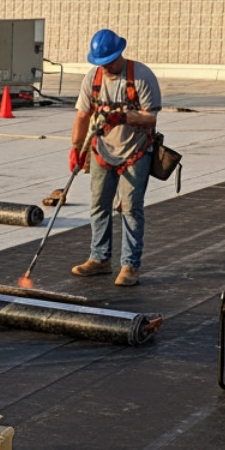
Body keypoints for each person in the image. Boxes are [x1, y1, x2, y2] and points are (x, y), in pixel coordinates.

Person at [68, 29, 161, 287]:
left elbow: (151, 118)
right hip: (102, 151)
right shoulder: (93, 79)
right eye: (100, 63)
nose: (105, 66)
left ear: (119, 54)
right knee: (99, 205)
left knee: (131, 209)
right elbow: (82, 116)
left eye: (108, 61)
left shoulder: (141, 76)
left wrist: (124, 118)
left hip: (135, 151)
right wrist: (77, 148)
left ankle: (130, 266)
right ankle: (99, 259)